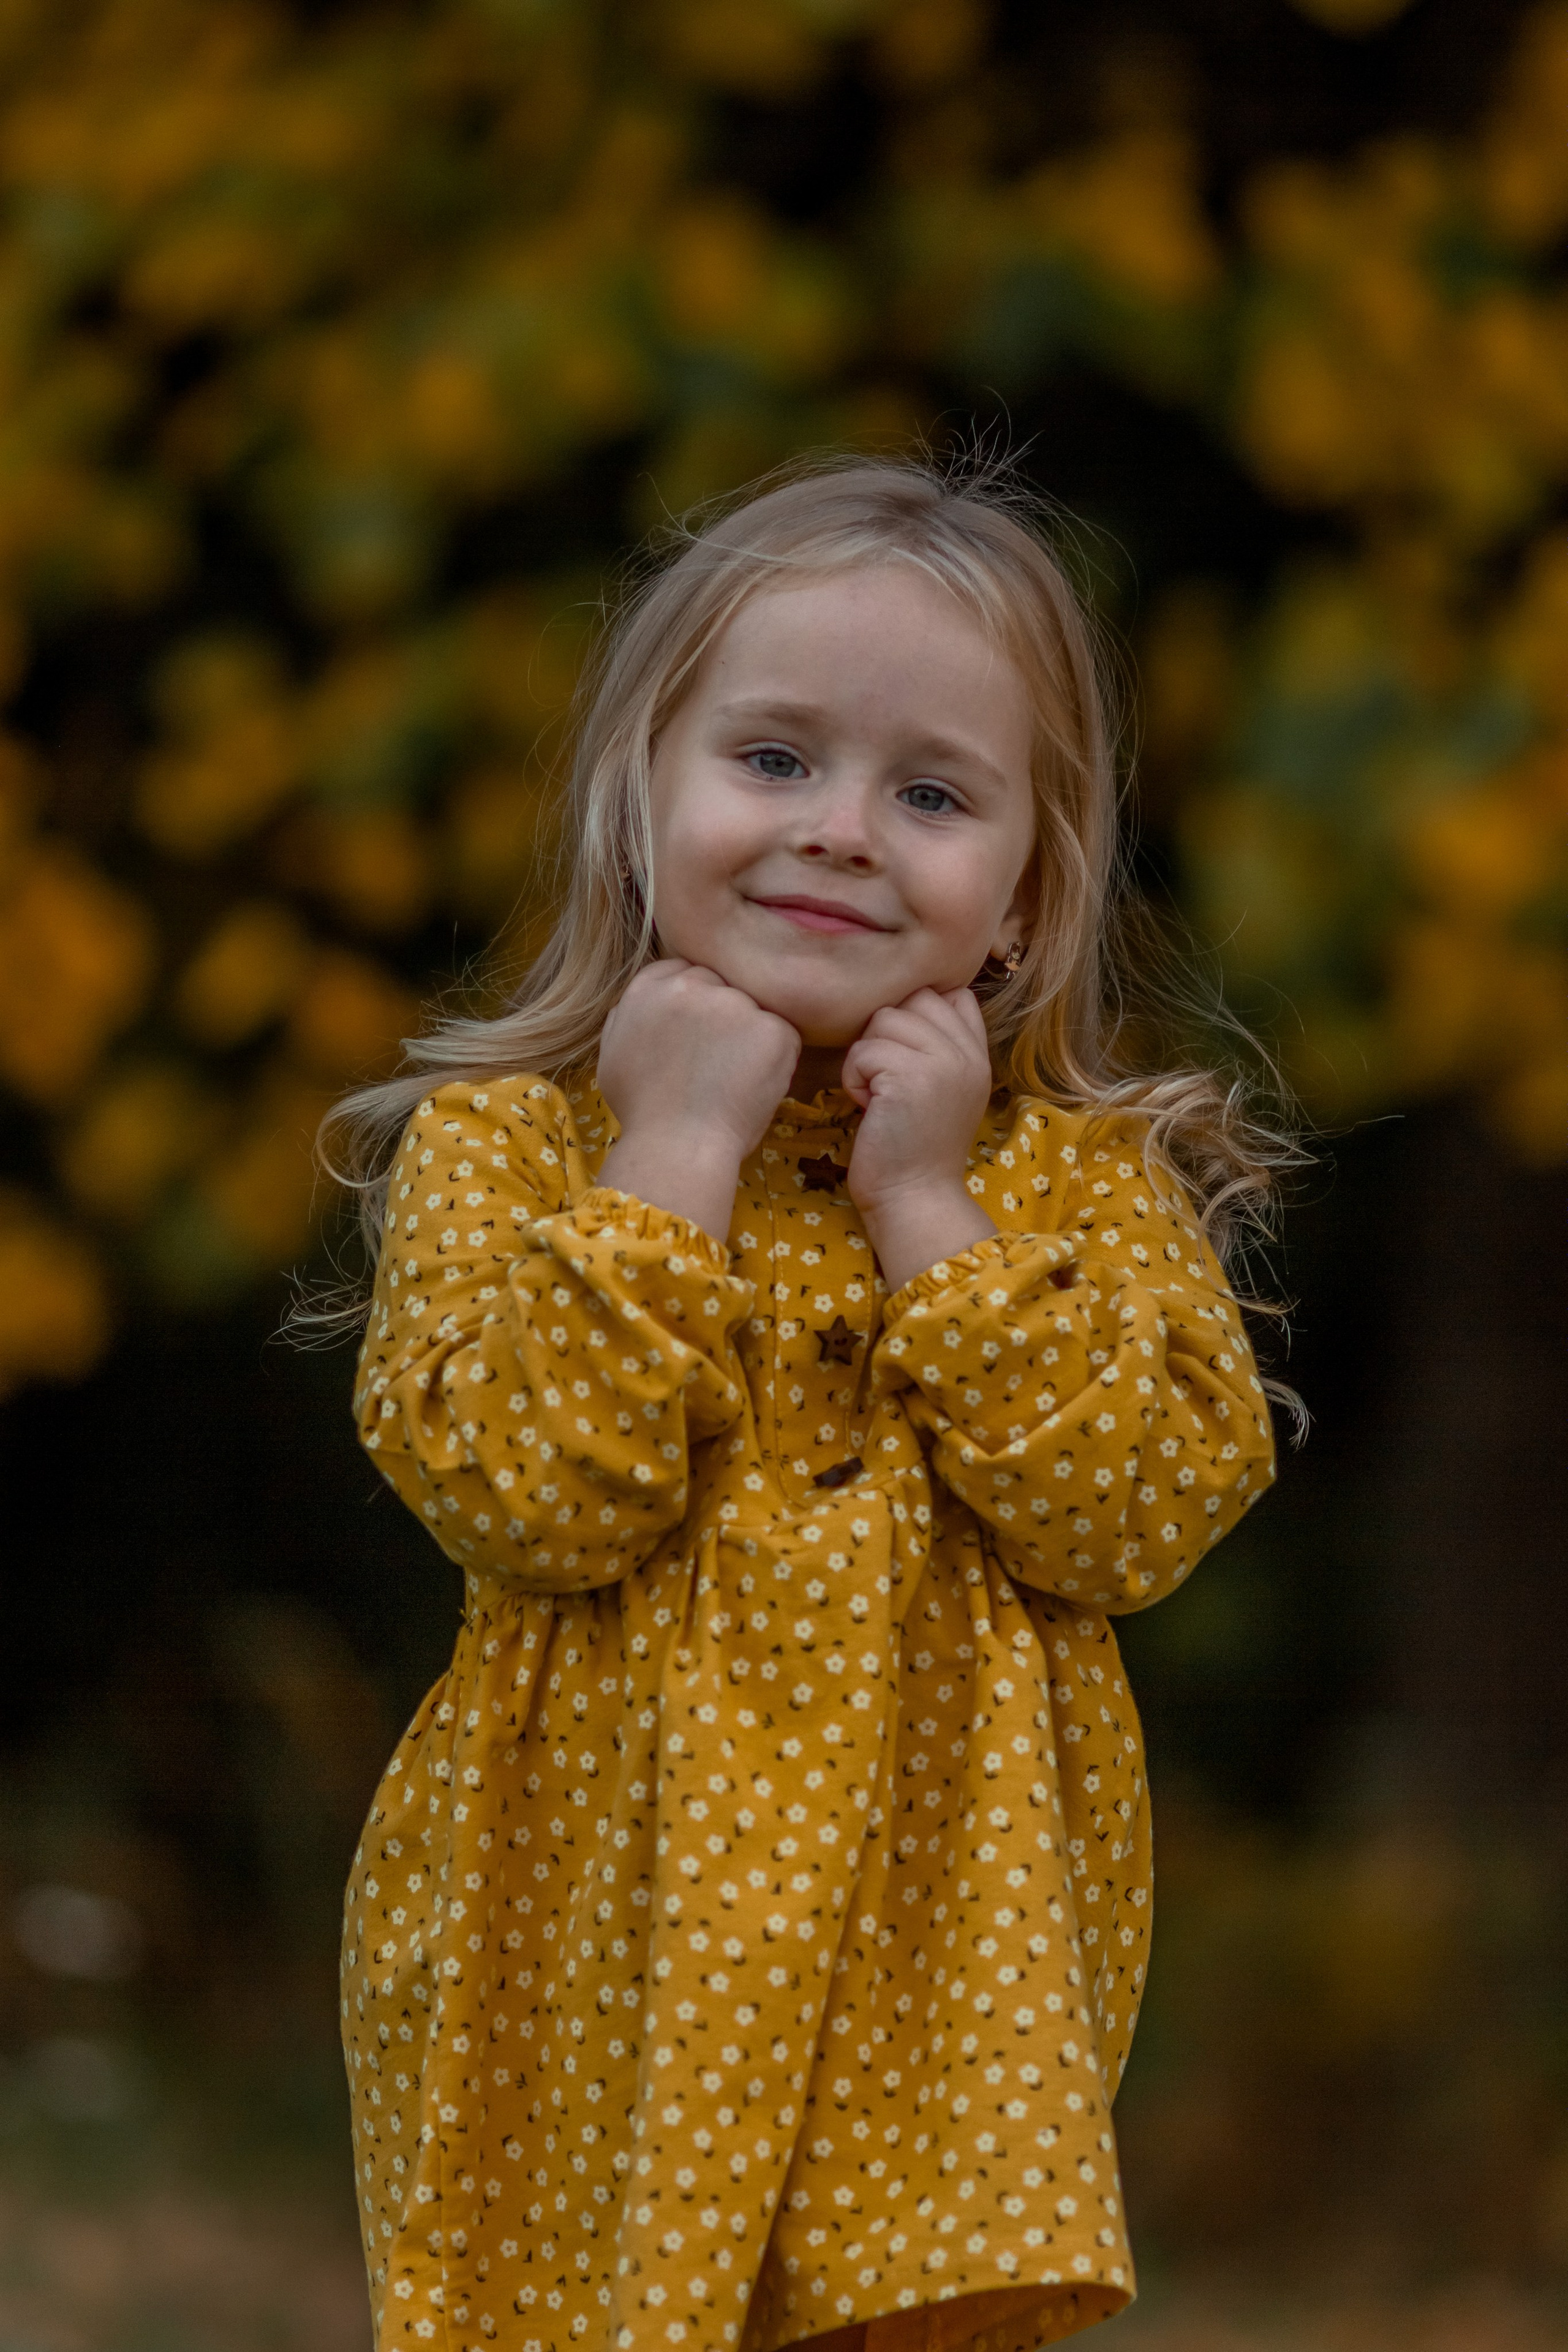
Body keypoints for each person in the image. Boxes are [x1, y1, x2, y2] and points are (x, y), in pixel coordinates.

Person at [319, 454, 1295, 2352]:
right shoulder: (512, 1149)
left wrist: (930, 1210)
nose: (843, 831)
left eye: (931, 794)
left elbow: (1142, 1516)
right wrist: (674, 1148)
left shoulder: (1081, 1184)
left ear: (1023, 895)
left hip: (940, 1974)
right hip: (585, 1940)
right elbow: (525, 1495)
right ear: (640, 807)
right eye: (774, 762)